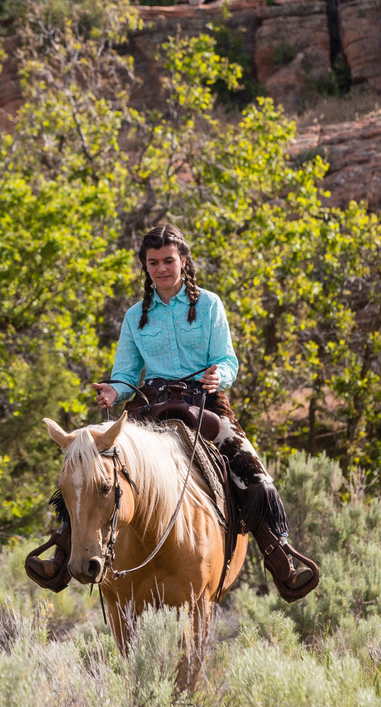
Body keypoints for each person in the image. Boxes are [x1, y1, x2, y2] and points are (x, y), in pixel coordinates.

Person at [29, 223, 320, 601]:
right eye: (153, 262)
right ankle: (62, 555)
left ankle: (281, 559)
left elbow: (226, 359)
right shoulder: (136, 316)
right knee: (90, 468)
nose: (162, 268)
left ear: (183, 261)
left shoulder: (210, 305)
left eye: (169, 260)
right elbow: (126, 373)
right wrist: (112, 390)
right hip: (151, 404)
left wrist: (221, 376)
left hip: (205, 403)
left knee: (255, 477)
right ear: (146, 267)